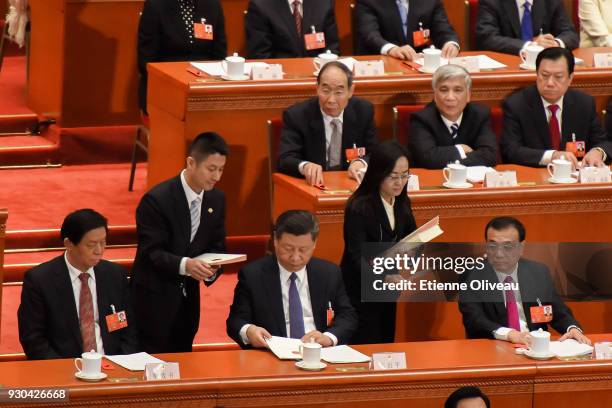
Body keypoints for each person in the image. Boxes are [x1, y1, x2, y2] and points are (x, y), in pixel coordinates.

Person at [131, 132, 228, 353]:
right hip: (153, 300)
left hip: (187, 304)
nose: (217, 177)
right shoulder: (157, 200)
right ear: (191, 163)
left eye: (221, 169)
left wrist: (211, 269)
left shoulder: (216, 200)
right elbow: (151, 252)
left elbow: (217, 246)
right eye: (211, 169)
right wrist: (187, 266)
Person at [18, 209, 139, 360]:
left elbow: (129, 330)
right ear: (69, 243)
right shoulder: (40, 280)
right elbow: (33, 339)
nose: (99, 251)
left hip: (113, 367)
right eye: (91, 245)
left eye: (103, 242)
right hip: (64, 369)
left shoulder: (115, 275)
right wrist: (66, 370)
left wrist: (120, 363)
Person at [226, 210, 357, 348]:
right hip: (272, 354)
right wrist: (248, 331)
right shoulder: (253, 275)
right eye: (288, 248)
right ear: (276, 240)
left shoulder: (329, 273)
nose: (295, 257)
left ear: (314, 244)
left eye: (303, 250)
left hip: (319, 352)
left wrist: (329, 337)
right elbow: (236, 321)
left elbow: (347, 315)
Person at [458, 216, 591, 345]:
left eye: (507, 246)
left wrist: (572, 328)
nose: (499, 253)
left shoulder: (538, 272)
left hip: (534, 348)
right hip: (494, 346)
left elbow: (555, 310)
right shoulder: (472, 276)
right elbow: (474, 320)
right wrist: (509, 334)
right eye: (492, 246)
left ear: (521, 247)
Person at [340, 141, 417, 344]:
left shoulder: (401, 201)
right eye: (393, 177)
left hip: (388, 290)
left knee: (385, 342)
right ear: (378, 174)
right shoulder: (359, 207)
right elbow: (355, 256)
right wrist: (383, 277)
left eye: (404, 175)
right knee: (367, 343)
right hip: (361, 290)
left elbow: (410, 237)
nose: (400, 182)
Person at [501, 47, 612, 168]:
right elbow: (511, 150)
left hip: (575, 177)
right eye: (544, 75)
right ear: (536, 74)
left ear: (570, 78)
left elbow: (603, 141)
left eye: (558, 77)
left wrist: (598, 152)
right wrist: (552, 156)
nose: (550, 83)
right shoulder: (517, 104)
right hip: (536, 176)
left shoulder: (584, 103)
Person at [278, 61, 377, 186]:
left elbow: (375, 152)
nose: (331, 100)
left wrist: (362, 162)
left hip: (350, 184)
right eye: (325, 90)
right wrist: (305, 166)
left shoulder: (363, 111)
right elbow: (285, 159)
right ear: (317, 88)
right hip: (313, 186)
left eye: (339, 92)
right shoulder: (297, 116)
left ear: (351, 91)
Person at [137, 0, 227, 112]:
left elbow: (220, 55)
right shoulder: (156, 5)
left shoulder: (212, 4)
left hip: (205, 89)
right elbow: (146, 60)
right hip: (166, 87)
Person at [409, 65, 497, 169]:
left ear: (468, 95)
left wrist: (447, 158)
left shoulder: (480, 115)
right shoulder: (422, 119)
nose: (450, 97)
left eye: (458, 90)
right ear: (435, 94)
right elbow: (427, 158)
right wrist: (460, 149)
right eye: (444, 90)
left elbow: (489, 156)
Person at [354, 0, 460, 60]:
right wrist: (392, 49)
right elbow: (370, 35)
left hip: (420, 64)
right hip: (382, 62)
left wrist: (451, 43)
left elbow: (444, 29)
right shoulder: (368, 1)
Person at [476, 0, 578, 55]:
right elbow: (487, 37)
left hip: (544, 64)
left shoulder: (551, 2)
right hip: (508, 62)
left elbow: (570, 34)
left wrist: (554, 43)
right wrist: (530, 46)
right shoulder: (491, 1)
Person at [245, 0, 339, 59]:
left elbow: (332, 48)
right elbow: (260, 55)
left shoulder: (324, 3)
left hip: (319, 76)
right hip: (280, 78)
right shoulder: (261, 5)